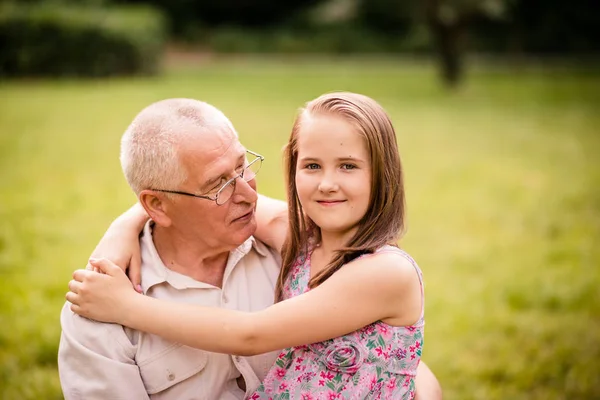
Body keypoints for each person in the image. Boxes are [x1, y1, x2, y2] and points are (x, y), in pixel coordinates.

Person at [66, 92, 441, 399]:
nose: (246, 194)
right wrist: (127, 223)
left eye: (243, 166)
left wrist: (129, 305)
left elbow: (252, 335)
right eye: (312, 166)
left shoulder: (373, 267)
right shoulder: (301, 240)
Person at [58, 98, 287, 399]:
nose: (248, 194)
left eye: (242, 165)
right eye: (218, 185)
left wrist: (126, 222)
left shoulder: (292, 251)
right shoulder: (97, 306)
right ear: (157, 205)